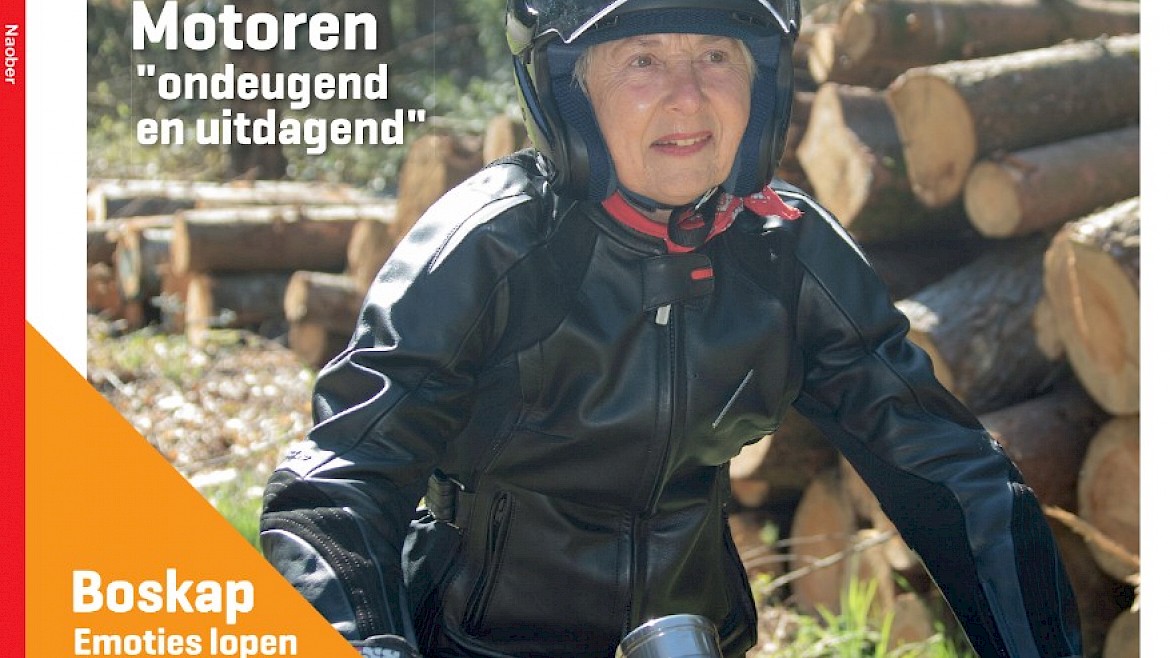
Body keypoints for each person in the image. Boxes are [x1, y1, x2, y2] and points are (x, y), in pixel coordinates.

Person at [260, 0, 1085, 656]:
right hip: (478, 641)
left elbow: (949, 472)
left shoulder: (786, 249)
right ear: (569, 90)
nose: (688, 97)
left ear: (762, 84)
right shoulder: (492, 246)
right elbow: (337, 485)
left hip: (698, 636)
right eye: (642, 59)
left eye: (716, 55)